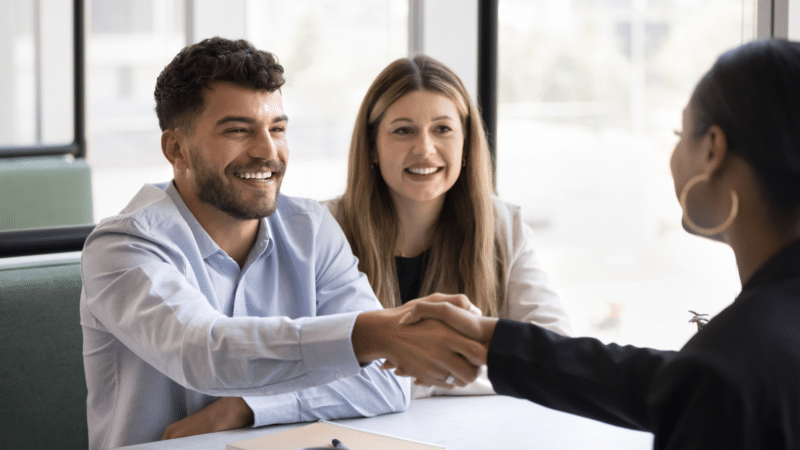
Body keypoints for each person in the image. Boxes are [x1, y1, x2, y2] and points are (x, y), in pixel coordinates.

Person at [79, 37, 483, 450]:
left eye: (277, 129)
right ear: (176, 149)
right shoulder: (123, 246)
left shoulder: (310, 228)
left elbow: (385, 384)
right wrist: (371, 334)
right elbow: (202, 350)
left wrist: (250, 408)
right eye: (238, 130)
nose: (267, 151)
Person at [400, 39, 800, 448]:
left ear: (713, 151)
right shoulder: (753, 349)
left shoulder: (726, 370)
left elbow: (701, 383)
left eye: (681, 133)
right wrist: (490, 340)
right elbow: (664, 381)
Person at [324, 54, 571, 397]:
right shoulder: (323, 230)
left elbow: (555, 352)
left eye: (442, 129)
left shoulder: (504, 227)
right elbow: (301, 367)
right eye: (403, 131)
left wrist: (409, 377)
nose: (424, 149)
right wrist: (466, 366)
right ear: (372, 147)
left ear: (466, 144)